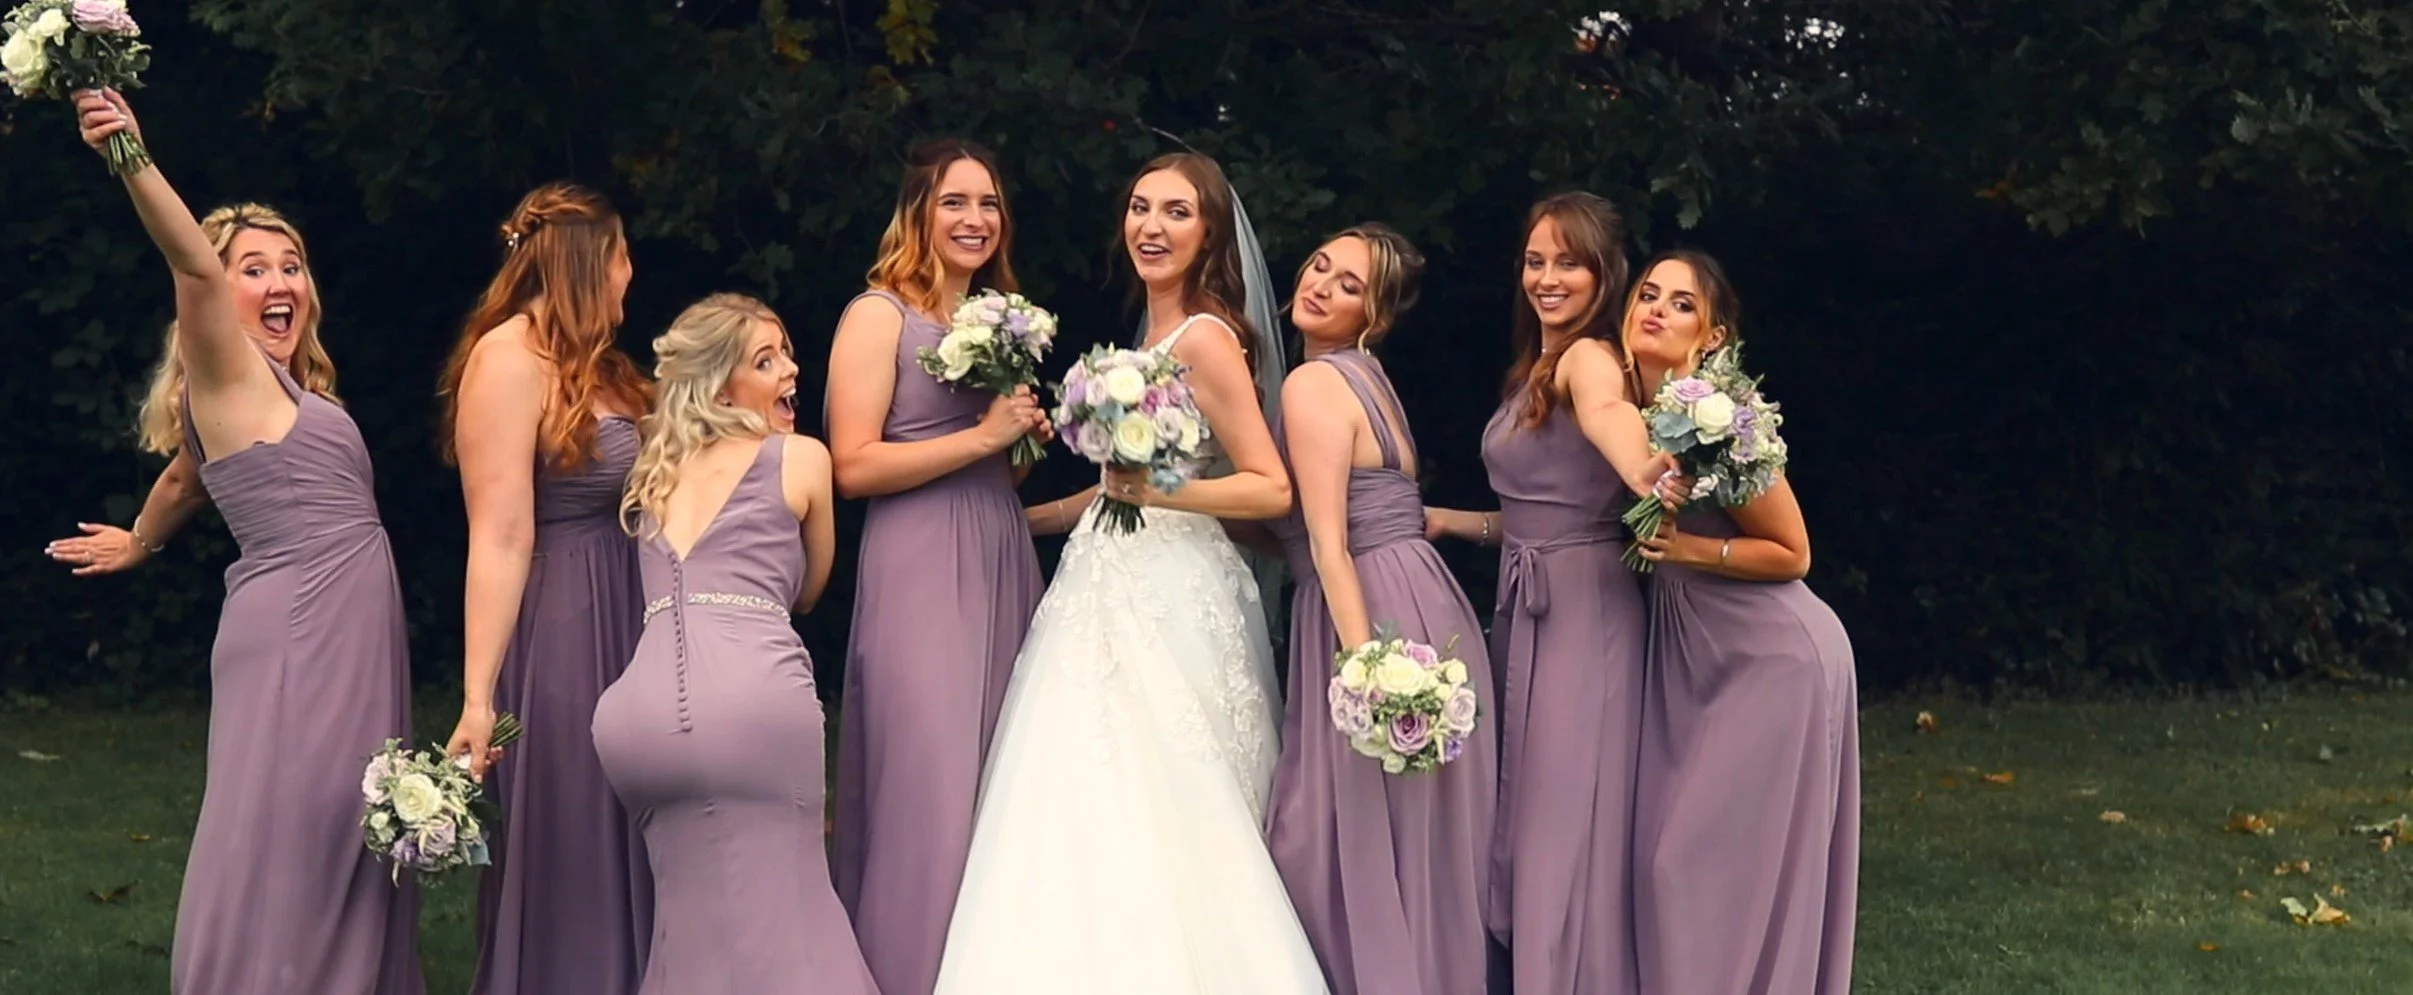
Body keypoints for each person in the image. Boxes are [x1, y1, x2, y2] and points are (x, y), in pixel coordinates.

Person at [932, 151, 1327, 993]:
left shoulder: (1207, 339)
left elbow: (1269, 485)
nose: (1151, 226)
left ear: (1209, 233)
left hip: (1173, 592)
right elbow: (1119, 489)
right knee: (1079, 790)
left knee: (1170, 794)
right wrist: (1014, 520)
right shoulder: (1144, 340)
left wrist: (1161, 489)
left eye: (1176, 212)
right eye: (1141, 207)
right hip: (1100, 582)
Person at [67, 88, 423, 994]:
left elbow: (185, 477)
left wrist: (140, 541)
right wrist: (129, 154)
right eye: (253, 269)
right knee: (298, 835)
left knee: (345, 830)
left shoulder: (272, 391)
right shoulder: (226, 368)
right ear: (220, 298)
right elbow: (189, 265)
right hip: (304, 634)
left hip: (341, 631)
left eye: (291, 266)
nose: (280, 284)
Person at [1425, 192, 1673, 994]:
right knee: (1528, 809)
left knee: (1564, 820)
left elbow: (1609, 418)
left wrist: (1643, 468)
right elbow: (1538, 516)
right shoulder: (1537, 363)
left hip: (1583, 615)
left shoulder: (1588, 358)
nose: (1547, 278)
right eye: (1535, 261)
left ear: (1604, 275)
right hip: (1528, 607)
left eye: (1568, 262)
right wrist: (1449, 521)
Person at [590, 293, 873, 994]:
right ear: (720, 387)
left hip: (637, 719)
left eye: (787, 354)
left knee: (686, 929)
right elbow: (807, 588)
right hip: (752, 702)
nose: (790, 370)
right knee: (791, 920)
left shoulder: (653, 471)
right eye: (766, 361)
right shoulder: (799, 458)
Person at [824, 139, 1046, 995]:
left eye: (988, 203)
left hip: (997, 549)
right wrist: (983, 436)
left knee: (1000, 775)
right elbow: (851, 465)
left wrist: (1020, 437)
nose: (974, 219)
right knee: (930, 779)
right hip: (917, 557)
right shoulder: (877, 314)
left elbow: (1001, 469)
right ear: (919, 212)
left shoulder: (1001, 318)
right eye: (955, 201)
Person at [1265, 224, 1498, 995]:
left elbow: (1328, 542)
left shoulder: (1312, 383)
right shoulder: (1369, 376)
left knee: (1339, 832)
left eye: (1349, 285)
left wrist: (1364, 665)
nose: (1321, 286)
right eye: (1319, 266)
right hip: (1423, 595)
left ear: (1377, 316)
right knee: (1418, 841)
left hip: (1365, 610)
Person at [438, 182, 656, 994]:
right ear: (586, 264)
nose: (630, 273)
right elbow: (499, 534)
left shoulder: (602, 365)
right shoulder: (506, 361)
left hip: (632, 610)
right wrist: (478, 696)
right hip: (566, 622)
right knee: (576, 826)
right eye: (622, 256)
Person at [1624, 250, 1859, 995]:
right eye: (1648, 293)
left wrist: (1686, 548)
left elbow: (1793, 552)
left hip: (1772, 656)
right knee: (1676, 865)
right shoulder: (1619, 405)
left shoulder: (1718, 416)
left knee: (1682, 862)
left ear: (1714, 336)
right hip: (1694, 652)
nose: (1656, 309)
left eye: (1682, 304)